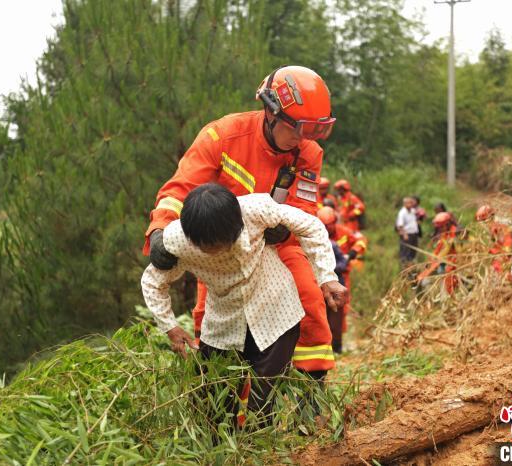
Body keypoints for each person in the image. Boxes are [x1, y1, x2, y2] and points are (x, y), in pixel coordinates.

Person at [142, 65, 340, 377]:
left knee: (309, 298)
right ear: (271, 112)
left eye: (314, 131)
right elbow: (180, 188)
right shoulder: (221, 136)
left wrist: (284, 231)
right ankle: (220, 394)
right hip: (222, 242)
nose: (304, 140)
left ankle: (310, 392)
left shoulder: (309, 152)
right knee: (208, 313)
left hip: (277, 243)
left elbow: (304, 208)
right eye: (298, 129)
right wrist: (160, 229)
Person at [141, 184, 346, 425]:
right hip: (223, 322)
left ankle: (259, 446)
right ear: (192, 238)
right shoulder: (177, 240)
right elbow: (152, 282)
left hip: (276, 311)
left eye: (223, 241)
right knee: (214, 400)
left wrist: (327, 277)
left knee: (262, 401)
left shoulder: (256, 209)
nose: (218, 250)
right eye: (209, 245)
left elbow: (310, 226)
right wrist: (171, 327)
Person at [317, 206, 367, 353]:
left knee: (340, 310)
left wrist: (351, 254)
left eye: (329, 224)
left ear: (335, 221)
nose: (327, 228)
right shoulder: (315, 234)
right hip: (321, 278)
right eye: (324, 225)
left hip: (341, 276)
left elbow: (361, 240)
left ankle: (337, 344)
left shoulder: (343, 231)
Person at [417, 212, 458, 295]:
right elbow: (438, 249)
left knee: (443, 273)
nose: (440, 229)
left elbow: (447, 249)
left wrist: (437, 258)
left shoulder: (455, 232)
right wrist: (431, 259)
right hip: (444, 262)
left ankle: (447, 297)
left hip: (454, 263)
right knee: (425, 280)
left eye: (441, 226)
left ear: (447, 224)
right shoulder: (444, 234)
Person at [476, 205, 512, 280]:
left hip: (502, 259)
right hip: (495, 259)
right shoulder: (488, 231)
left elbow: (508, 244)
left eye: (484, 222)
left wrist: (502, 256)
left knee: (504, 278)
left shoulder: (501, 229)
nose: (484, 225)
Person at [396, 197, 419, 268]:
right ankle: (404, 268)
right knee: (405, 252)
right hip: (407, 235)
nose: (411, 204)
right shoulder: (402, 213)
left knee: (413, 251)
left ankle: (411, 266)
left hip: (414, 234)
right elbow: (400, 225)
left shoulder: (412, 211)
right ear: (405, 204)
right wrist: (405, 234)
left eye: (411, 202)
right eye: (409, 203)